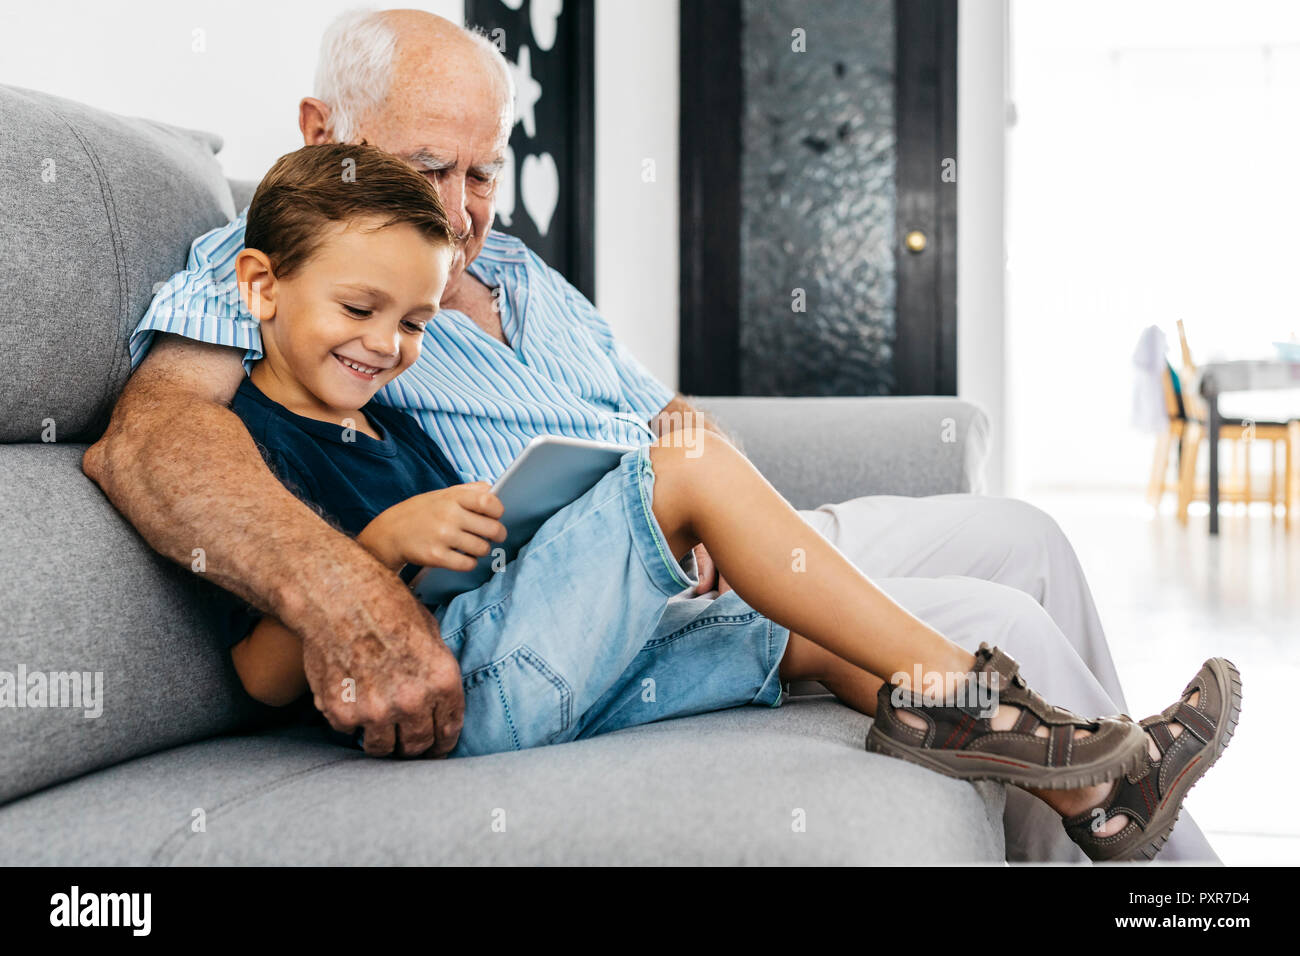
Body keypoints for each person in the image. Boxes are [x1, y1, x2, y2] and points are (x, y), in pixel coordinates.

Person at [82, 9, 1221, 861]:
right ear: (321, 136)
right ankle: (1154, 869)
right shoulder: (290, 258)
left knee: (1025, 536)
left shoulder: (508, 272)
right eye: (428, 167)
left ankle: (1137, 819)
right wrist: (354, 575)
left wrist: (694, 467)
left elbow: (660, 413)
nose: (461, 210)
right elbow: (155, 435)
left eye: (482, 172)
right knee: (994, 614)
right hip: (597, 583)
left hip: (699, 539)